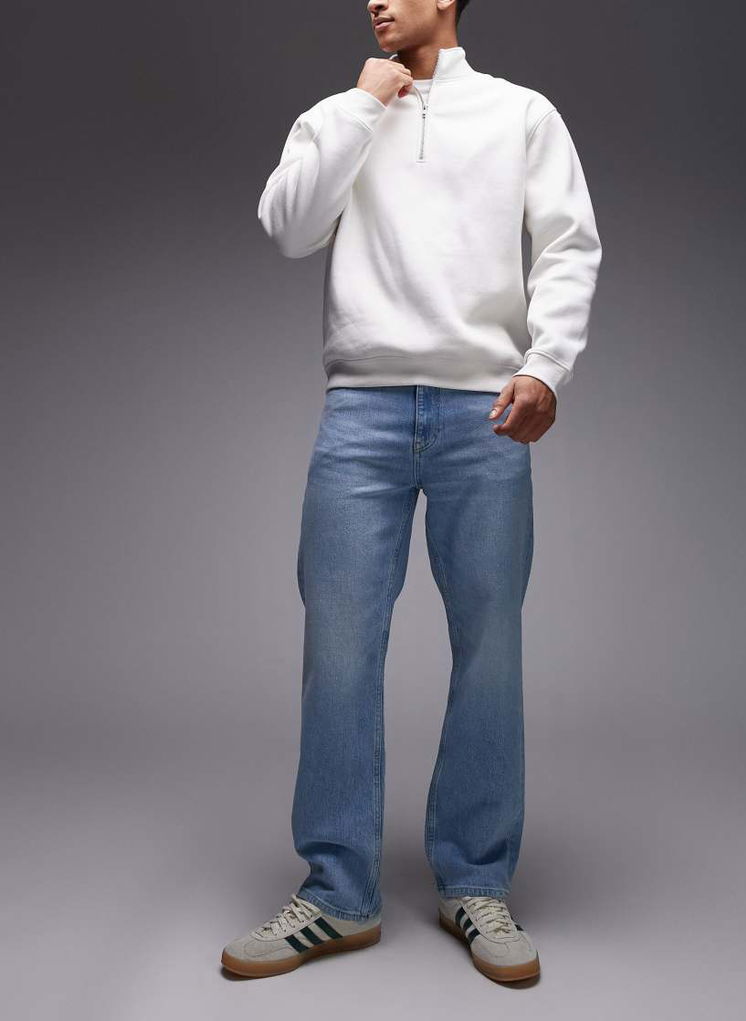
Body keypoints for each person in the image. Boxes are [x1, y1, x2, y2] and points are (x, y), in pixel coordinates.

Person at [221, 0, 601, 983]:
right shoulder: (337, 114)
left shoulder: (520, 114)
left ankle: (475, 881)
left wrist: (547, 366)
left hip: (485, 411)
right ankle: (337, 892)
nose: (375, 1)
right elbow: (288, 226)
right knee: (338, 646)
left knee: (490, 649)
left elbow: (568, 243)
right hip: (361, 412)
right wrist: (361, 108)